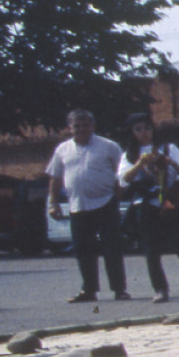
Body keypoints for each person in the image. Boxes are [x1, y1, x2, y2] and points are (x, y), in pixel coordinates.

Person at [46, 108, 130, 304]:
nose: (81, 129)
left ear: (93, 126)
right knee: (83, 250)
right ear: (70, 128)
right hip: (78, 205)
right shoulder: (62, 149)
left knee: (112, 248)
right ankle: (89, 290)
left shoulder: (109, 146)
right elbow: (55, 177)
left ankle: (119, 289)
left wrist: (116, 196)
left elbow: (123, 173)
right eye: (77, 126)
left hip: (105, 203)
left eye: (86, 125)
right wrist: (53, 203)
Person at [118, 113, 179, 304]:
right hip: (146, 204)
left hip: (171, 202)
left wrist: (168, 161)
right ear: (132, 133)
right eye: (138, 129)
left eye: (147, 128)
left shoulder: (168, 148)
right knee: (151, 250)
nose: (144, 132)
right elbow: (124, 179)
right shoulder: (129, 155)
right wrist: (140, 163)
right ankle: (160, 289)